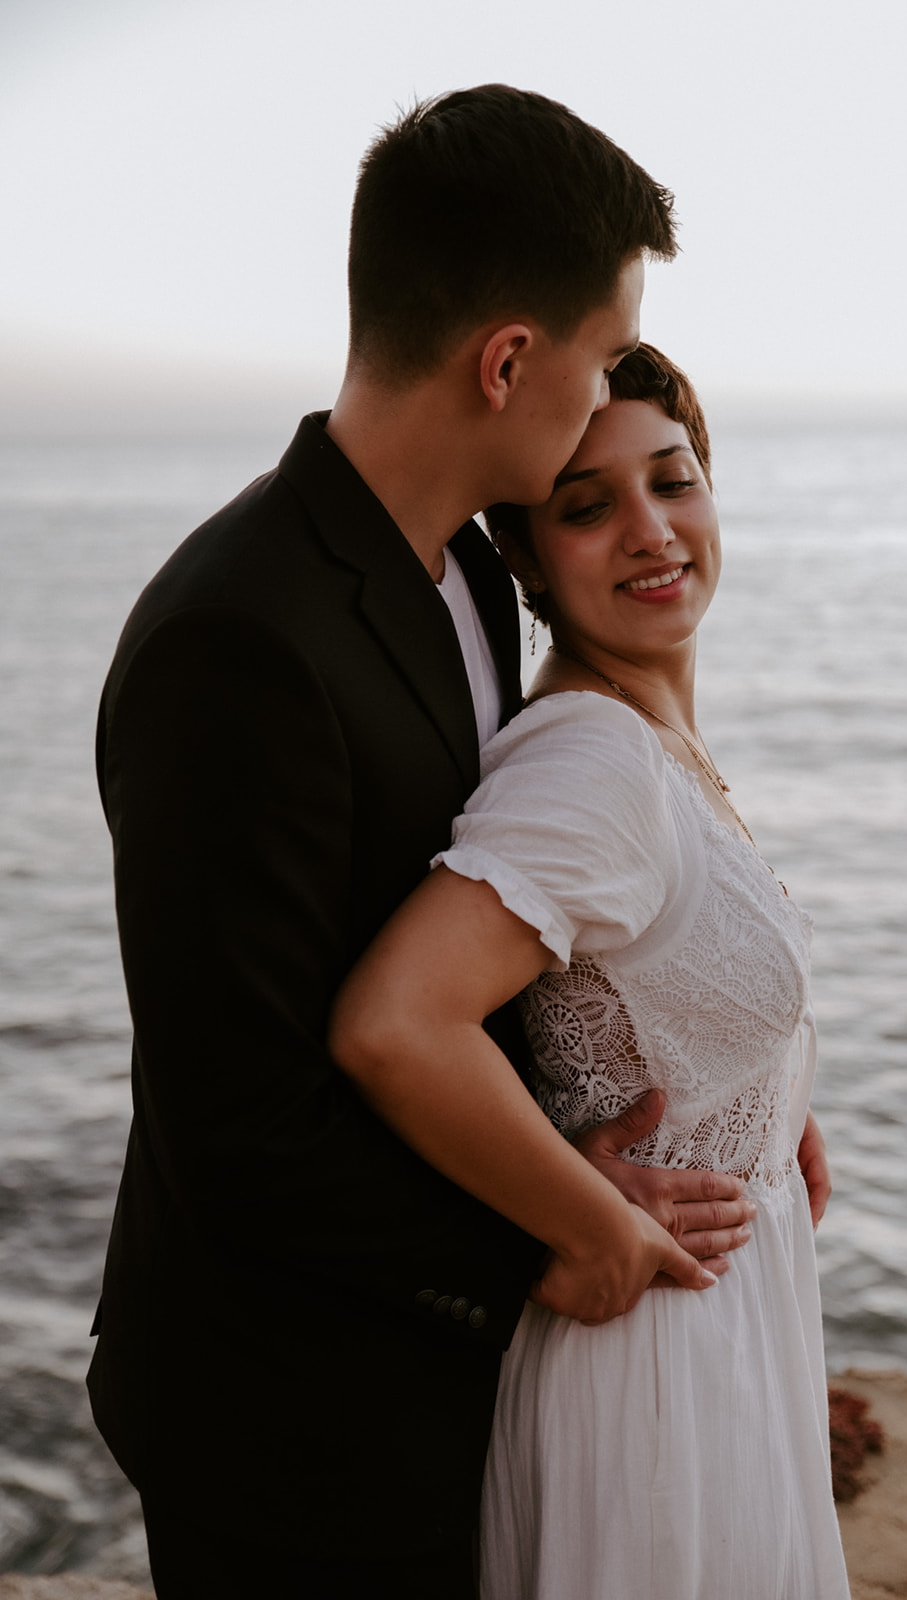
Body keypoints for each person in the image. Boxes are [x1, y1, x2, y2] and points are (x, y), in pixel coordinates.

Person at [88, 88, 757, 1598]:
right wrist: (552, 1235)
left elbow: (503, 906)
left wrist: (735, 1070)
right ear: (508, 361)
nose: (606, 387)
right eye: (598, 352)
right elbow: (239, 1132)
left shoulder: (464, 567)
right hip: (290, 1423)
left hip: (437, 1388)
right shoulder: (234, 638)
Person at [329, 344, 850, 1597]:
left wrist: (765, 1092)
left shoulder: (648, 739)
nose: (650, 530)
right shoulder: (593, 766)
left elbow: (643, 976)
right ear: (523, 554)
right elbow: (397, 1023)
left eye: (672, 480)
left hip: (727, 1334)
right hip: (656, 1376)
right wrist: (586, 1218)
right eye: (587, 505)